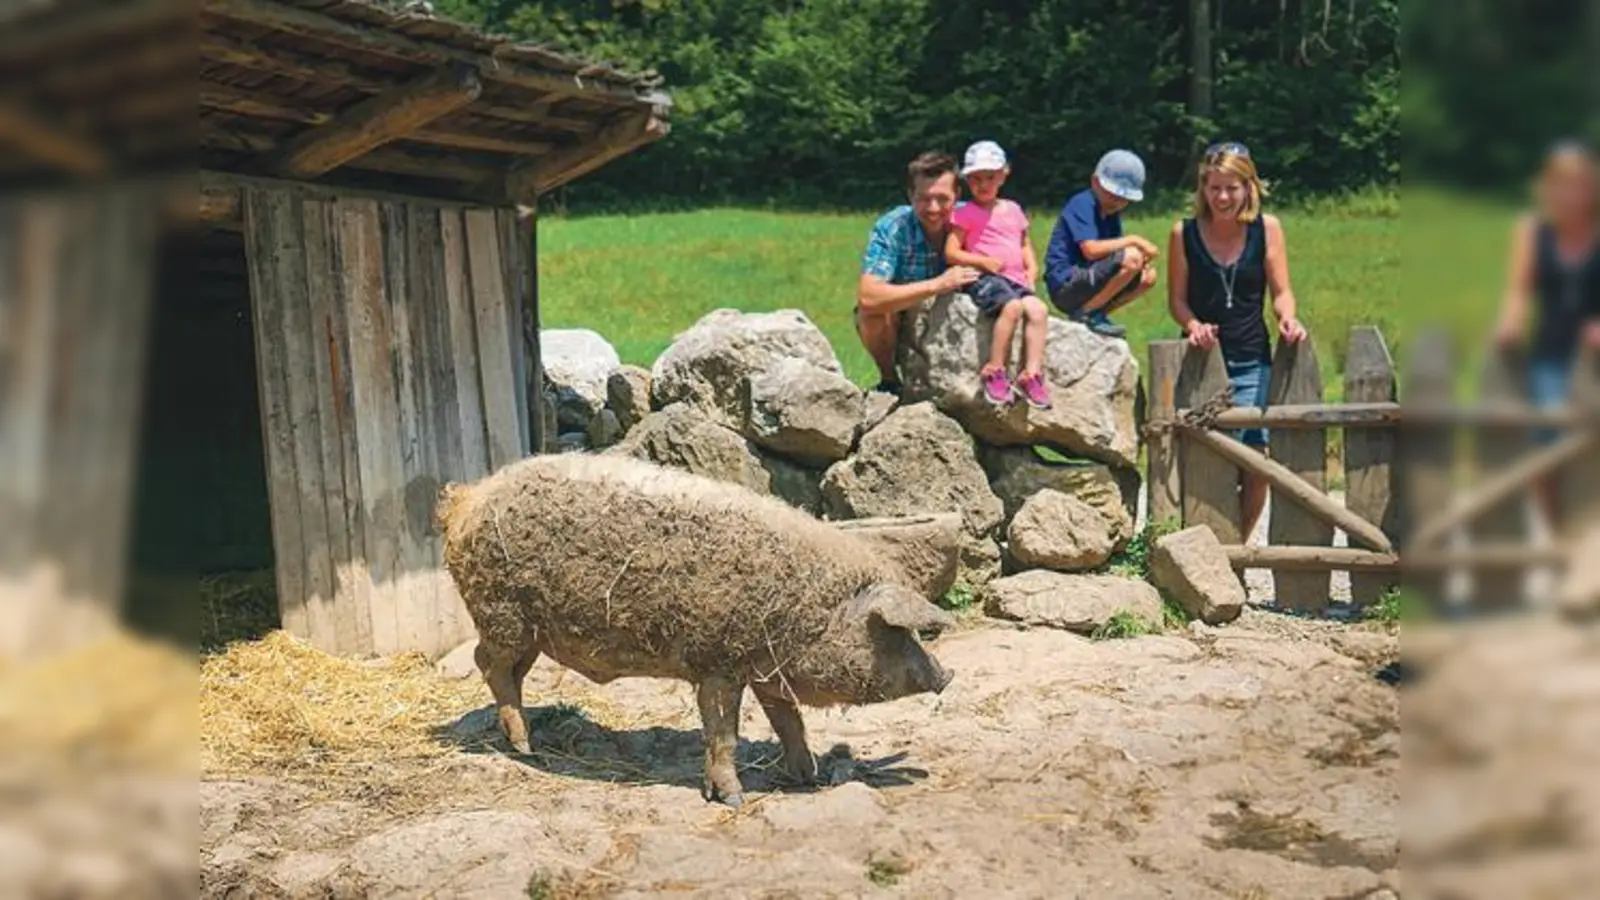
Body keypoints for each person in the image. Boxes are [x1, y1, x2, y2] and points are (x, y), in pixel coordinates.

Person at [1167, 141, 1307, 542]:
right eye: (1214, 188)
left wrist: (1287, 316)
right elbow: (1177, 300)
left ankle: (1235, 548)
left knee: (1255, 462)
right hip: (1202, 361)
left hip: (1250, 359)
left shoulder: (1267, 228)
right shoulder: (1184, 233)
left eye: (1232, 187)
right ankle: (1201, 546)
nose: (1223, 197)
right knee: (1207, 460)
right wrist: (1192, 324)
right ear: (1203, 188)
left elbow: (1282, 290)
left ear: (1249, 187)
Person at [1494, 140, 1600, 528]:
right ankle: (1559, 531)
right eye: (1563, 184)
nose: (1571, 193)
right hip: (1553, 351)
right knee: (1546, 445)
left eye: (1579, 184)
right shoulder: (1533, 231)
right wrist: (1509, 324)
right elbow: (1519, 289)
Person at [856, 151, 981, 395]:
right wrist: (938, 284)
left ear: (957, 196)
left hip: (965, 318)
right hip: (904, 317)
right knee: (871, 314)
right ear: (910, 195)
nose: (933, 208)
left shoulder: (976, 219)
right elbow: (868, 297)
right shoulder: (893, 226)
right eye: (924, 198)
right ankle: (890, 381)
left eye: (943, 199)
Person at [944, 140, 1052, 409]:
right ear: (967, 180)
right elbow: (951, 252)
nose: (983, 185)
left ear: (1004, 175)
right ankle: (994, 368)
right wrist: (982, 261)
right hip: (985, 277)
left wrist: (1032, 268)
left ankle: (1032, 374)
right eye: (976, 179)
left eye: (990, 177)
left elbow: (1024, 243)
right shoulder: (965, 213)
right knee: (1012, 307)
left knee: (1038, 310)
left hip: (1015, 279)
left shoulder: (1013, 209)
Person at [1043, 149, 1160, 338]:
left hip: (1090, 279)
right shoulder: (1083, 203)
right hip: (1066, 283)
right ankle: (1087, 313)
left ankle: (1097, 313)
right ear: (1095, 182)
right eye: (1112, 193)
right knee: (1132, 258)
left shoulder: (1111, 215)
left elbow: (1113, 254)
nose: (1117, 201)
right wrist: (1134, 240)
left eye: (1124, 199)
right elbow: (1090, 250)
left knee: (1148, 276)